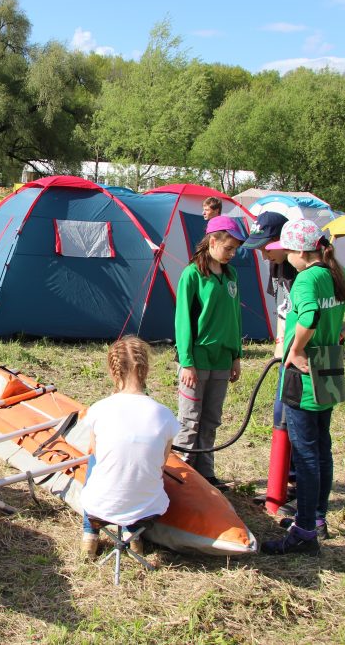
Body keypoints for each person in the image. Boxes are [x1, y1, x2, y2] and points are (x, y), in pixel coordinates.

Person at [261, 219, 345, 556]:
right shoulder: (336, 274)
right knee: (322, 448)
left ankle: (303, 533)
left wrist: (296, 350)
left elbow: (309, 317)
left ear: (301, 250)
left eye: (288, 252)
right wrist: (344, 331)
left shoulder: (305, 280)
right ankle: (316, 519)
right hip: (330, 364)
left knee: (306, 454)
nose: (287, 258)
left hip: (305, 371)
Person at [80, 336, 181, 560]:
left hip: (100, 506)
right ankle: (133, 533)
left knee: (95, 461)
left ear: (113, 370)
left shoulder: (99, 409)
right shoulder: (163, 414)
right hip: (149, 509)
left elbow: (96, 452)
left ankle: (90, 534)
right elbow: (162, 462)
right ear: (145, 369)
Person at [173, 215, 247, 490]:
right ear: (212, 241)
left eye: (235, 249)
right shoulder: (192, 275)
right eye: (229, 248)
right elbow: (182, 321)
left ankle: (205, 476)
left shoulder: (231, 275)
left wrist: (236, 356)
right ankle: (181, 476)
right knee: (190, 420)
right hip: (197, 361)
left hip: (222, 360)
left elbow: (234, 316)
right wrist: (187, 362)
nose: (232, 253)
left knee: (211, 420)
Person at [243, 212, 298, 498]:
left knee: (294, 418)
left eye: (267, 246)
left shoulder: (304, 267)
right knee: (280, 413)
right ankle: (284, 481)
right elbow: (282, 308)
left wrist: (295, 348)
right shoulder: (277, 264)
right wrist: (279, 343)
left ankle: (297, 485)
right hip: (287, 350)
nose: (263, 255)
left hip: (303, 355)